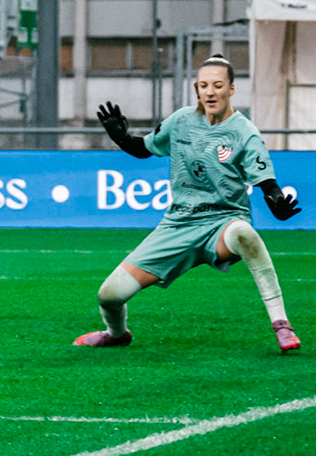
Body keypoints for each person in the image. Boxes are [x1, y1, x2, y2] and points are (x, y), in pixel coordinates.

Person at [76, 55, 302, 351]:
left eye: (218, 85)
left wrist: (276, 201)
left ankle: (281, 324)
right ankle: (116, 334)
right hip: (178, 224)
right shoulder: (181, 121)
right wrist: (120, 138)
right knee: (109, 295)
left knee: (245, 234)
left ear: (231, 89)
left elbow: (266, 182)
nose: (210, 91)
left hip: (223, 222)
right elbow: (144, 149)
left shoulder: (244, 132)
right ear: (197, 88)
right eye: (203, 85)